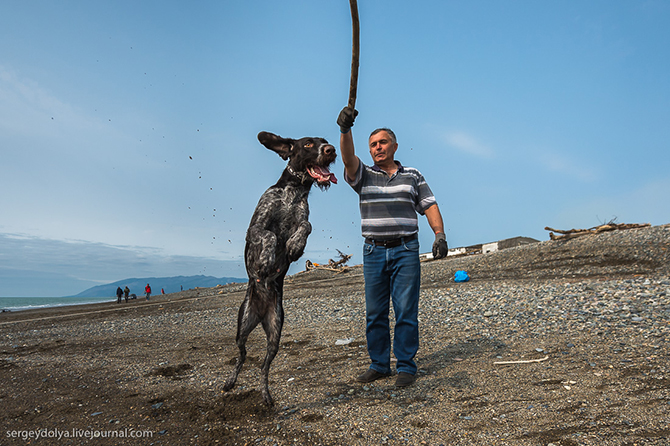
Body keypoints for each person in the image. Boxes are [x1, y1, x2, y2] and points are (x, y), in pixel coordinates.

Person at [337, 106, 448, 388]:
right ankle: (379, 365)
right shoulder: (363, 175)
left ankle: (406, 367)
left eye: (382, 142)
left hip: (406, 250)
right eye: (373, 145)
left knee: (405, 310)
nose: (377, 148)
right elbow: (348, 159)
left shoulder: (412, 175)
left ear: (395, 146)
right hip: (374, 251)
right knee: (375, 312)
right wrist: (345, 129)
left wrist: (439, 235)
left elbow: (429, 205)